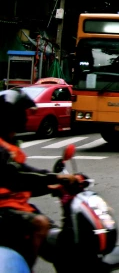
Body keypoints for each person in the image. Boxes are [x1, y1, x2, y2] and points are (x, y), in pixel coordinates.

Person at [0, 90, 80, 269]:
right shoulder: (1, 149)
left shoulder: (10, 143)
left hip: (14, 205)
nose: (27, 116)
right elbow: (16, 177)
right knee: (41, 224)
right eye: (24, 113)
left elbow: (25, 174)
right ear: (12, 116)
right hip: (3, 210)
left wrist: (52, 185)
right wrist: (56, 178)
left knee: (55, 236)